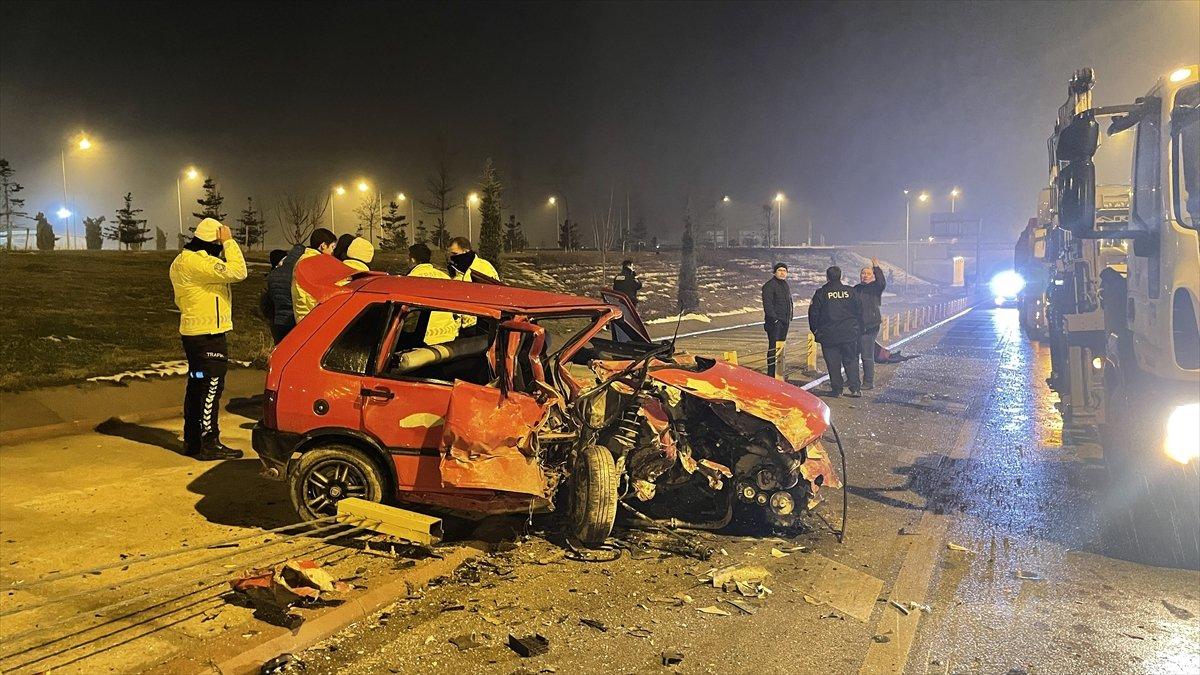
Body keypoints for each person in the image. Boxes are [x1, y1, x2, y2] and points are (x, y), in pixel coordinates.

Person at [169, 218, 248, 460]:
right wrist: (230, 242)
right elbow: (238, 271)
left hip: (194, 335)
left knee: (197, 384)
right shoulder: (198, 263)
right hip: (207, 336)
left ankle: (193, 440)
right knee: (211, 386)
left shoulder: (183, 261)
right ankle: (209, 441)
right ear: (212, 242)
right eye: (219, 243)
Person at [809, 266, 863, 397]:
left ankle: (837, 390)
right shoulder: (850, 292)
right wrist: (858, 329)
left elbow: (813, 313)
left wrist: (815, 330)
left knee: (833, 364)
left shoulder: (821, 293)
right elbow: (859, 311)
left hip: (828, 335)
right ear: (841, 276)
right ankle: (855, 388)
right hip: (849, 334)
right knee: (851, 361)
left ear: (827, 277)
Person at [405, 243, 459, 345]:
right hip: (450, 335)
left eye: (408, 258)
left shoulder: (410, 280)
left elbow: (408, 316)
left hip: (424, 339)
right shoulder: (445, 277)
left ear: (412, 259)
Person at [290, 228, 337, 323]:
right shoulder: (317, 262)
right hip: (313, 317)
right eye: (332, 247)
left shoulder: (302, 260)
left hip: (301, 315)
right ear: (323, 245)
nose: (332, 252)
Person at [855, 257, 886, 390]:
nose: (865, 276)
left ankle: (868, 382)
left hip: (870, 326)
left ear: (872, 276)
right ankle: (852, 379)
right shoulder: (855, 289)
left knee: (867, 355)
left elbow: (882, 282)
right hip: (856, 327)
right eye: (863, 273)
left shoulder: (875, 288)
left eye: (868, 274)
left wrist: (876, 268)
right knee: (852, 355)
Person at [761, 262, 793, 379]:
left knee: (781, 347)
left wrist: (790, 316)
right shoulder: (769, 286)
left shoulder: (785, 285)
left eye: (784, 271)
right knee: (773, 347)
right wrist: (774, 319)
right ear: (774, 272)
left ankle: (779, 371)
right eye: (780, 270)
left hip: (785, 321)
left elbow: (788, 302)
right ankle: (771, 373)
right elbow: (768, 305)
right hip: (775, 323)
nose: (782, 273)